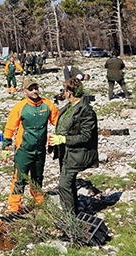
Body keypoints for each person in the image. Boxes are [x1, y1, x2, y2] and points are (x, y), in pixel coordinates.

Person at [2, 78, 59, 213]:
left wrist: (57, 139)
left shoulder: (47, 105)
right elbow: (10, 127)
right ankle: (14, 206)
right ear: (24, 91)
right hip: (24, 149)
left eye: (36, 88)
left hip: (40, 149)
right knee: (20, 178)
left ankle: (38, 201)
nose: (35, 91)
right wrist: (6, 146)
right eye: (31, 89)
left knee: (38, 176)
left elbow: (58, 121)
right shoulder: (20, 107)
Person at [49, 77, 98, 215]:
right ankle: (74, 211)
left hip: (76, 154)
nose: (63, 94)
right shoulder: (69, 107)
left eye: (64, 91)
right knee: (69, 184)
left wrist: (63, 139)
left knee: (64, 185)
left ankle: (70, 218)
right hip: (65, 152)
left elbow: (85, 136)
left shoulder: (85, 110)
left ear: (69, 92)